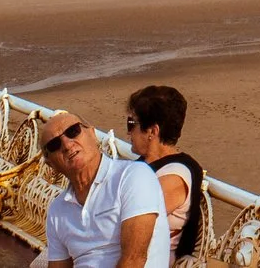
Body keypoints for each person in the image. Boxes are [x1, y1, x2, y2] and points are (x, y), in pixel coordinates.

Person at [39, 110, 167, 268]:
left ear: (93, 134)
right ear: (51, 164)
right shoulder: (58, 209)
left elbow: (134, 259)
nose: (67, 144)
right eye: (54, 144)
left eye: (73, 131)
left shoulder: (132, 176)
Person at [126, 86, 204, 262]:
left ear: (153, 132)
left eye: (132, 124)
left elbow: (127, 219)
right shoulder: (146, 164)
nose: (128, 132)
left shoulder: (174, 177)